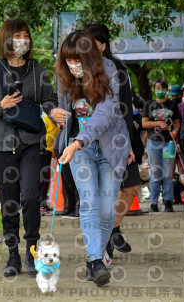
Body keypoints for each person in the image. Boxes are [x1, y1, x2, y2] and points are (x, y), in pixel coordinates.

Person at [52, 30, 130, 287]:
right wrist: (58, 115)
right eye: (68, 61)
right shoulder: (64, 75)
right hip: (80, 150)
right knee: (89, 202)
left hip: (110, 147)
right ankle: (96, 259)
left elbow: (105, 114)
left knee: (107, 209)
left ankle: (95, 257)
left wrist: (76, 142)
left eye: (77, 61)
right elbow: (64, 109)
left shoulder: (111, 72)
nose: (73, 66)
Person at [0, 18, 56, 276]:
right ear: (6, 39)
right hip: (2, 145)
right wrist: (0, 106)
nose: (22, 41)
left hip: (32, 143)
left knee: (32, 197)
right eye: (17, 36)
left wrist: (54, 110)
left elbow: (49, 100)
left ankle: (32, 252)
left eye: (26, 35)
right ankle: (12, 255)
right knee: (10, 202)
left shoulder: (38, 69)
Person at [85, 23, 141, 260]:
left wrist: (127, 143)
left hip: (119, 137)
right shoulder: (78, 70)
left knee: (131, 187)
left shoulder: (117, 69)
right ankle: (101, 246)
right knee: (98, 197)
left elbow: (126, 107)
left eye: (91, 42)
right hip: (88, 143)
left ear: (103, 44)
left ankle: (112, 230)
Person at [142, 78, 181, 212]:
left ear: (166, 90)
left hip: (169, 143)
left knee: (168, 173)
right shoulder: (149, 104)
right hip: (153, 142)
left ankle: (168, 201)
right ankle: (153, 202)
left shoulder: (172, 104)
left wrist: (175, 131)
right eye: (157, 88)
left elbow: (177, 122)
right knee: (155, 172)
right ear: (154, 89)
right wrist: (158, 123)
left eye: (163, 88)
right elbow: (144, 123)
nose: (160, 90)